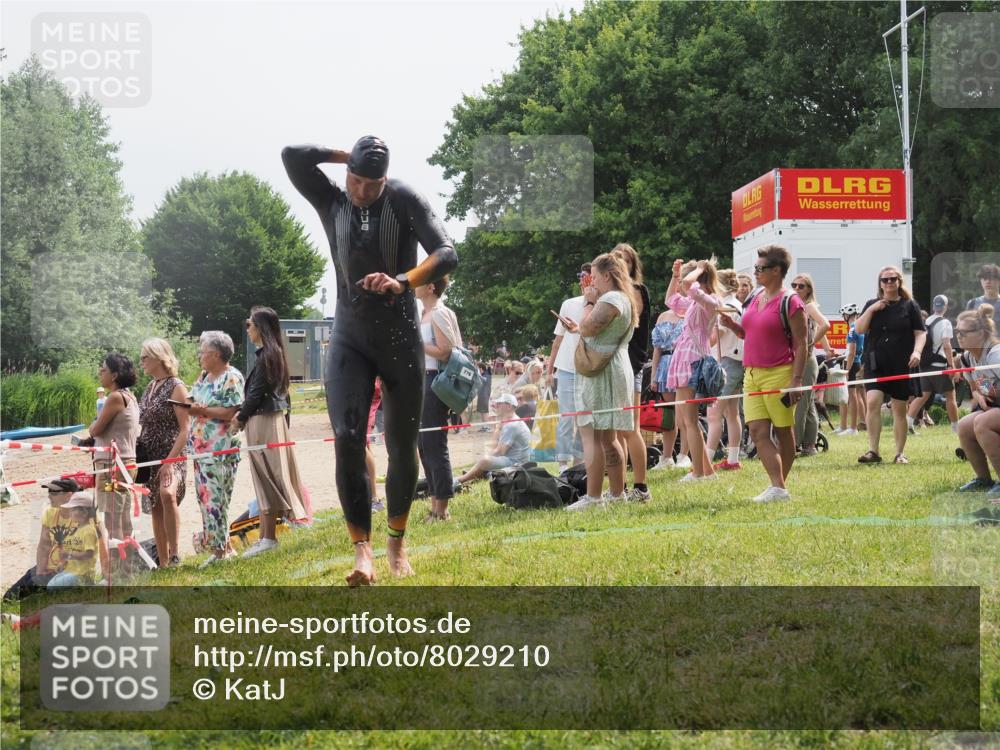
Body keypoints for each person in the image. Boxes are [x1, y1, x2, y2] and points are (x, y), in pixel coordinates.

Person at [283, 137, 457, 586]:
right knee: (347, 438)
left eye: (372, 183)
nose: (362, 191)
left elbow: (446, 253)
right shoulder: (331, 199)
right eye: (356, 180)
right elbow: (292, 156)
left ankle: (396, 543)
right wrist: (350, 156)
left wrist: (403, 281)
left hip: (399, 338)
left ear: (385, 179)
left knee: (401, 445)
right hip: (349, 339)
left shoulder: (402, 198)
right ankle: (362, 552)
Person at [718, 245, 808, 502]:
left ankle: (779, 487)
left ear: (777, 270)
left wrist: (796, 381)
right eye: (755, 268)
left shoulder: (791, 301)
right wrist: (733, 326)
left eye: (761, 268)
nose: (756, 272)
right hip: (751, 374)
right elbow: (749, 334)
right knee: (757, 431)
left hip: (780, 373)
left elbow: (802, 344)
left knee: (783, 431)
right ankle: (778, 487)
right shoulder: (756, 296)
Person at [560, 253, 637, 510]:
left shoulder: (610, 299)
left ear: (607, 275)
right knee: (608, 437)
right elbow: (590, 329)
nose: (591, 282)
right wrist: (578, 327)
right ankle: (617, 494)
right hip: (612, 366)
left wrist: (590, 302)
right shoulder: (622, 297)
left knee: (594, 435)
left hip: (602, 371)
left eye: (594, 276)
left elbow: (589, 328)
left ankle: (594, 497)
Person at [235, 307, 308, 558]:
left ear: (260, 327)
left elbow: (256, 393)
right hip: (271, 420)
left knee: (266, 477)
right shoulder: (274, 353)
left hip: (263, 421)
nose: (248, 329)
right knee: (269, 477)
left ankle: (268, 538)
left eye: (250, 324)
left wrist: (240, 418)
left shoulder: (268, 355)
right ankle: (267, 537)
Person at [853, 265, 926, 465]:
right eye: (885, 280)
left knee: (899, 408)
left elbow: (920, 333)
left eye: (893, 279)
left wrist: (917, 352)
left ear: (899, 281)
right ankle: (873, 451)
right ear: (880, 284)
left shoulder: (910, 305)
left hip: (901, 362)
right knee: (872, 402)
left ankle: (900, 453)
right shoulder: (872, 304)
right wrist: (872, 309)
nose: (889, 282)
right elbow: (859, 329)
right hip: (876, 362)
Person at [188, 331, 244, 567]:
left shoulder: (231, 377)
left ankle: (221, 552)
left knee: (216, 500)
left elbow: (231, 411)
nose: (199, 356)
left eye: (203, 352)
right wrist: (189, 406)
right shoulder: (204, 376)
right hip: (200, 449)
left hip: (220, 450)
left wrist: (203, 411)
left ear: (216, 355)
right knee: (205, 499)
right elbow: (191, 400)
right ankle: (221, 548)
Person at [665, 258, 722, 482]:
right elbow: (671, 300)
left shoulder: (710, 300)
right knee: (688, 420)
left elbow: (689, 286)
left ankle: (698, 472)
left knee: (690, 420)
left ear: (700, 278)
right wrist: (675, 275)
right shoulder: (695, 301)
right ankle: (707, 472)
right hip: (685, 357)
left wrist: (697, 269)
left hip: (693, 359)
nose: (682, 283)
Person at [136, 338, 189, 569]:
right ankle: (163, 561)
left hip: (172, 454)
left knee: (167, 494)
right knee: (156, 505)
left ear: (159, 357)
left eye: (145, 357)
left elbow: (186, 429)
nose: (141, 362)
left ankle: (175, 555)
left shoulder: (177, 386)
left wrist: (169, 461)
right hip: (150, 457)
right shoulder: (149, 387)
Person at [416, 277, 462, 522]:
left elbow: (446, 351)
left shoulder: (439, 313)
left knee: (435, 444)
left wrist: (418, 344)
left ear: (431, 287)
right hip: (424, 380)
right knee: (424, 445)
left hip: (436, 381)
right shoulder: (425, 313)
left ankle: (442, 509)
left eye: (419, 281)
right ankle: (435, 505)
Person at [612, 243, 652, 502]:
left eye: (625, 259)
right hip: (616, 366)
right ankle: (621, 487)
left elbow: (628, 323)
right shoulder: (613, 294)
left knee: (630, 428)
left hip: (632, 365)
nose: (620, 263)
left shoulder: (636, 290)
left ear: (632, 265)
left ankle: (641, 487)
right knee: (617, 430)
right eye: (616, 258)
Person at [87, 353, 140, 546]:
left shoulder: (115, 397)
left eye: (103, 370)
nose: (100, 373)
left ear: (115, 375)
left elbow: (95, 429)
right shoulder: (130, 396)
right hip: (126, 462)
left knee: (112, 520)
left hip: (112, 465)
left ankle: (117, 563)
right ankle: (126, 561)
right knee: (123, 517)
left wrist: (92, 428)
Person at [546, 263, 590, 472]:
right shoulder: (569, 303)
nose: (582, 280)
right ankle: (563, 464)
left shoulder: (602, 304)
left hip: (588, 369)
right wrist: (549, 371)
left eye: (586, 276)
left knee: (584, 417)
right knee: (567, 417)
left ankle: (578, 462)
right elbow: (558, 340)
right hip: (566, 368)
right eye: (581, 276)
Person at [955, 305, 1000, 499]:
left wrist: (994, 393)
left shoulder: (995, 354)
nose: (959, 336)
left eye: (964, 332)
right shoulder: (967, 358)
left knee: (982, 422)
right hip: (995, 406)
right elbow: (975, 388)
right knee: (964, 425)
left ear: (981, 333)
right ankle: (983, 479)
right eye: (957, 331)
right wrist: (979, 395)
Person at [706, 269, 745, 471]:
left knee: (714, 414)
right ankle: (733, 459)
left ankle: (705, 463)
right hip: (737, 362)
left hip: (726, 362)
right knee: (732, 413)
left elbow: (714, 337)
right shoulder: (738, 304)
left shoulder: (725, 307)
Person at [789, 273, 831, 456]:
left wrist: (810, 344)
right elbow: (819, 328)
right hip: (804, 358)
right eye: (794, 285)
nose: (797, 289)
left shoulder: (809, 306)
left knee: (800, 403)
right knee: (808, 403)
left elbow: (825, 325)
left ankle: (794, 444)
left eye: (801, 286)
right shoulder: (798, 306)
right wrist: (827, 348)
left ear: (809, 289)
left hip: (806, 360)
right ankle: (810, 445)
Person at [907, 294, 960, 434]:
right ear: (946, 307)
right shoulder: (946, 323)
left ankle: (908, 424)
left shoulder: (926, 321)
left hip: (924, 365)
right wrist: (951, 365)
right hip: (939, 366)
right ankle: (956, 428)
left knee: (922, 396)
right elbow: (947, 345)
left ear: (933, 306)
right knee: (950, 396)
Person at [456, 395, 532, 484]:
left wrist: (484, 460)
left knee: (484, 460)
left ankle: (459, 480)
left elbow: (500, 451)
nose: (496, 405)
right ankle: (478, 473)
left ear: (509, 406)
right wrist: (498, 428)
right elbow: (495, 447)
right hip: (516, 460)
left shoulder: (511, 425)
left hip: (516, 463)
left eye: (499, 403)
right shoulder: (511, 421)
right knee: (485, 460)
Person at [649, 300, 687, 470]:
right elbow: (656, 349)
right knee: (670, 415)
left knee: (684, 414)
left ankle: (684, 456)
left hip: (683, 363)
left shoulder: (690, 312)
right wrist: (653, 377)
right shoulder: (663, 316)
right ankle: (666, 457)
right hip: (664, 366)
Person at [42, 492, 107, 588]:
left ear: (84, 513)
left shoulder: (88, 531)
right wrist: (63, 562)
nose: (70, 512)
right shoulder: (77, 529)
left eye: (73, 509)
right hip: (73, 570)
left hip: (83, 573)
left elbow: (89, 554)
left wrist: (69, 555)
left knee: (51, 586)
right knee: (51, 583)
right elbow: (73, 548)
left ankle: (88, 584)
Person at [835, 303, 865, 436]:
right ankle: (845, 426)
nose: (843, 318)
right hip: (857, 363)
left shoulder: (852, 330)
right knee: (852, 396)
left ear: (847, 315)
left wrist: (847, 370)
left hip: (852, 364)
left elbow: (852, 353)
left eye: (843, 315)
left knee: (851, 396)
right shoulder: (860, 327)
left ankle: (852, 428)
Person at [966, 263, 1000, 331]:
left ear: (999, 281)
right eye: (984, 278)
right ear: (980, 281)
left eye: (991, 279)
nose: (988, 281)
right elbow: (967, 328)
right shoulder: (972, 303)